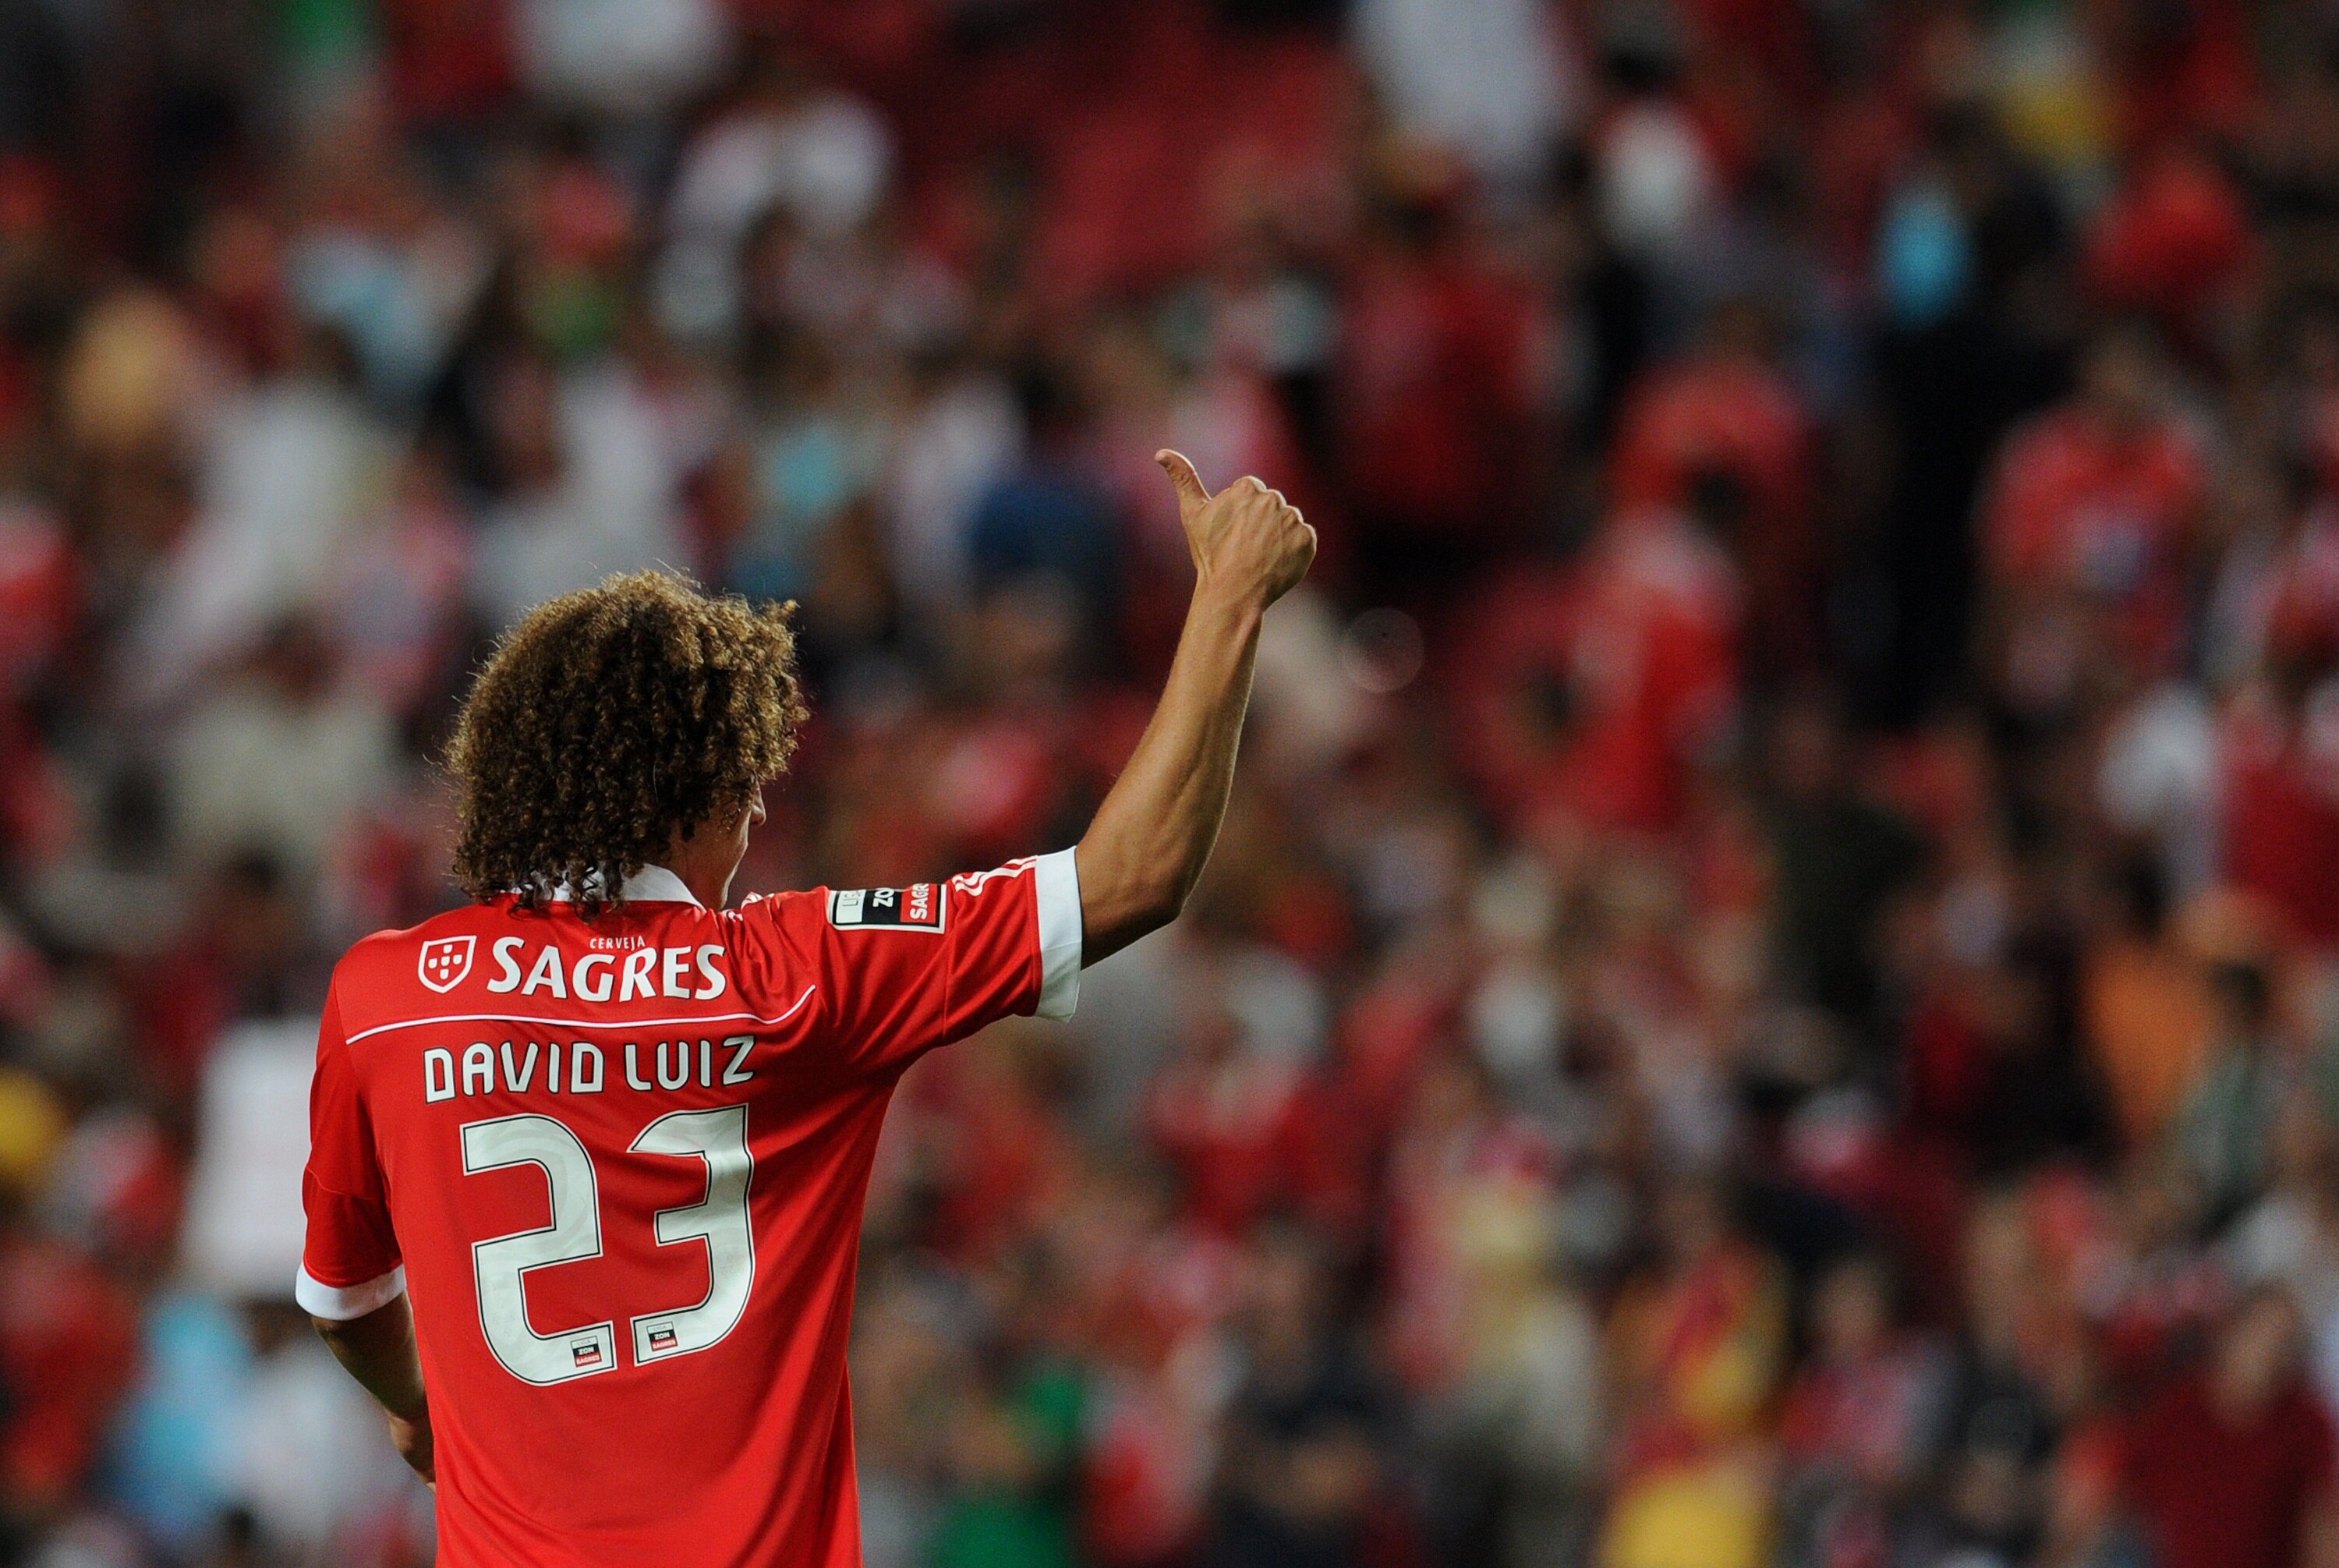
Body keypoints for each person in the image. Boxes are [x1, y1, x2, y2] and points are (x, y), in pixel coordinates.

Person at [294, 452, 1315, 1565]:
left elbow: (346, 1301)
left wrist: (418, 1402)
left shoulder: (386, 997)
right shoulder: (799, 972)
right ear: (717, 791)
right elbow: (1134, 876)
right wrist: (1228, 597)